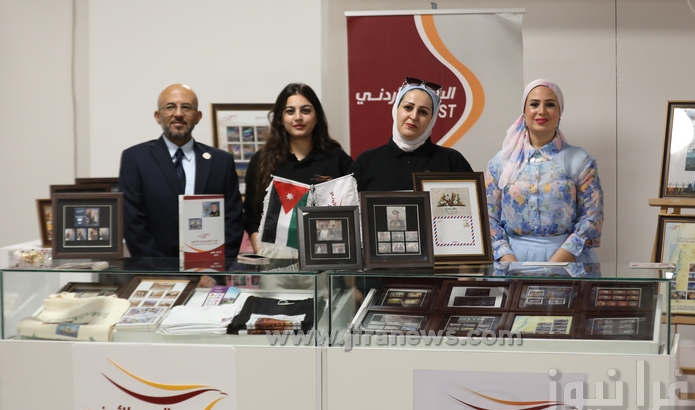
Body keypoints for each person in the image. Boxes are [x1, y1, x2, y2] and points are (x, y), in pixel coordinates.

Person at [119, 84, 244, 259]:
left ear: (198, 116)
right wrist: (159, 269)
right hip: (154, 270)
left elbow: (233, 220)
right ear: (158, 116)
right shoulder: (135, 159)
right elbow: (132, 222)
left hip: (209, 267)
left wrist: (214, 266)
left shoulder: (221, 162)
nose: (178, 113)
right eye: (170, 107)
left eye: (186, 107)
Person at [485, 79, 603, 263]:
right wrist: (510, 264)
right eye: (534, 104)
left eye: (550, 104)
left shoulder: (580, 160)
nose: (541, 111)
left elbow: (592, 219)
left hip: (568, 262)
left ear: (560, 112)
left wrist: (554, 265)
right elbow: (488, 218)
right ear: (524, 112)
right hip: (511, 262)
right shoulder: (500, 162)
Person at [244, 83, 352, 251]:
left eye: (306, 110)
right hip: (275, 259)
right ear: (280, 118)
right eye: (290, 111)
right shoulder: (262, 160)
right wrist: (261, 251)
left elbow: (352, 211)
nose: (298, 117)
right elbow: (252, 214)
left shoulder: (337, 159)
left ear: (317, 117)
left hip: (325, 257)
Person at [349, 77, 472, 191]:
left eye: (423, 112)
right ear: (396, 109)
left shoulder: (452, 162)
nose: (413, 117)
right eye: (408, 108)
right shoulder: (366, 162)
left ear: (432, 119)